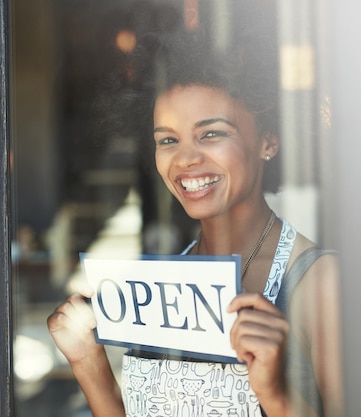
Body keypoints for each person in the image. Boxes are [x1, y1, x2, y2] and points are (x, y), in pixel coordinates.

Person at [47, 37, 343, 417]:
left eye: (212, 133)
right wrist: (87, 362)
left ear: (267, 140)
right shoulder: (162, 286)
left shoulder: (318, 283)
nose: (185, 158)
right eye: (168, 140)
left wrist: (276, 395)